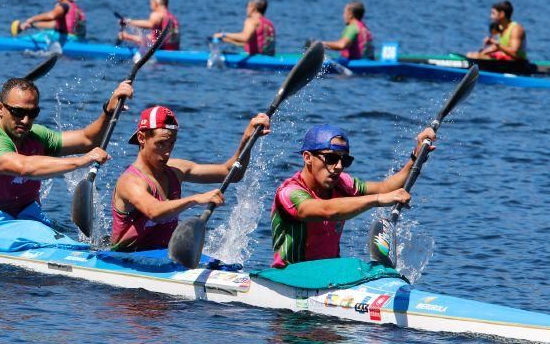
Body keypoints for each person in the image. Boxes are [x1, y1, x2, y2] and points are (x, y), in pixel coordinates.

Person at [0, 78, 134, 223]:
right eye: (18, 112)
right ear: (0, 108)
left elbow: (88, 139)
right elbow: (24, 167)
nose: (25, 120)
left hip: (28, 218)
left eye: (33, 113)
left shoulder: (37, 135)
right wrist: (81, 161)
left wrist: (108, 111)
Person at [270, 124, 436, 267]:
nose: (339, 167)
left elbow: (385, 188)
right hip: (291, 277)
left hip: (329, 278)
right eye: (331, 158)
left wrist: (416, 157)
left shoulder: (342, 183)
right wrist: (377, 200)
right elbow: (326, 210)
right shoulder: (289, 193)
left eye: (345, 161)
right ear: (307, 157)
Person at [110, 106, 271, 252]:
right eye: (161, 144)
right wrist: (195, 199)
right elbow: (154, 212)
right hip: (125, 258)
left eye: (171, 144)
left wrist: (247, 140)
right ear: (141, 138)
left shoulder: (177, 170)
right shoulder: (131, 181)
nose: (167, 152)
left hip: (161, 258)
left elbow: (231, 173)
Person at [16, 0, 87, 42]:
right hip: (78, 40)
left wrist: (32, 19)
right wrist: (32, 25)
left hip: (64, 38)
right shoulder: (77, 9)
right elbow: (54, 24)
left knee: (23, 40)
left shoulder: (64, 6)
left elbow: (51, 16)